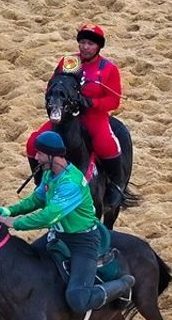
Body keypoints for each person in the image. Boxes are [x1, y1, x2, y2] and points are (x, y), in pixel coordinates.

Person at [0, 131, 134, 314]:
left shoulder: (70, 183)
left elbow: (49, 216)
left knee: (78, 299)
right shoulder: (50, 174)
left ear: (53, 156)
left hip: (82, 242)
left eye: (40, 154)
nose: (36, 157)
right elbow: (37, 199)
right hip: (58, 236)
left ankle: (123, 285)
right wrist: (10, 210)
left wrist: (15, 222)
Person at [25, 24, 124, 207]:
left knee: (106, 145)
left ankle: (116, 186)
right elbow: (53, 86)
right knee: (33, 143)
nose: (86, 47)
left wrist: (92, 103)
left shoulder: (108, 68)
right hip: (67, 116)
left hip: (93, 116)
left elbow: (114, 100)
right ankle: (40, 184)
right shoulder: (70, 62)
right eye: (83, 42)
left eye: (91, 44)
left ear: (99, 47)